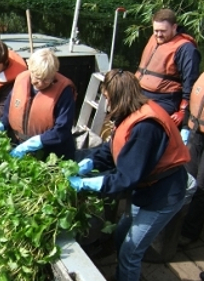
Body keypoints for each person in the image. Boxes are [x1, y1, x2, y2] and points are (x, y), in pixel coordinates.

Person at [68, 69, 190, 281]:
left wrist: (88, 184)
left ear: (118, 96)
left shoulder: (146, 127)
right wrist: (90, 163)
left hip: (164, 193)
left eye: (106, 97)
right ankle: (124, 275)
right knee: (121, 233)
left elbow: (127, 177)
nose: (105, 102)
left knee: (131, 251)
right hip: (146, 189)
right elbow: (113, 147)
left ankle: (127, 275)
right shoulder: (130, 113)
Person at [0, 48, 77, 160]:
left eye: (46, 80)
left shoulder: (64, 92)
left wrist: (37, 142)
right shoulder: (21, 80)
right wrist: (2, 125)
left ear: (54, 73)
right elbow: (9, 110)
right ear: (29, 67)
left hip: (51, 153)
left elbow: (62, 129)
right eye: (37, 78)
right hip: (20, 146)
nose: (40, 84)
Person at [135, 8, 201, 128]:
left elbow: (190, 83)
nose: (159, 34)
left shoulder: (186, 49)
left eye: (163, 31)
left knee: (145, 126)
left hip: (165, 99)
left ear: (174, 27)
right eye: (156, 31)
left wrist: (182, 112)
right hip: (141, 93)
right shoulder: (154, 39)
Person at [179, 46, 204, 246]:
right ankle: (177, 222)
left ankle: (191, 231)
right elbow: (194, 104)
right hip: (195, 133)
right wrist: (185, 126)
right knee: (187, 178)